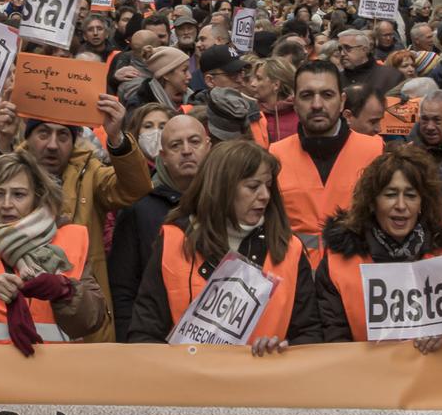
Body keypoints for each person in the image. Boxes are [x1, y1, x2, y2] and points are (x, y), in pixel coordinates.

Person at [0, 94, 148, 340]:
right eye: (43, 133)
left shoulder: (91, 173)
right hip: (16, 308)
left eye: (63, 135)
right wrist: (2, 138)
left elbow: (135, 188)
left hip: (82, 312)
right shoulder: (9, 171)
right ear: (28, 136)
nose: (53, 145)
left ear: (74, 140)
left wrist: (116, 138)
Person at [126, 139, 319, 350]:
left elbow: (309, 334)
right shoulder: (174, 241)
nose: (265, 196)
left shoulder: (290, 248)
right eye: (253, 187)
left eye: (269, 186)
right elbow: (145, 333)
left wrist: (282, 349)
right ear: (221, 188)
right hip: (188, 379)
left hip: (267, 379)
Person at [0, 150, 109, 349]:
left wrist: (65, 290)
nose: (7, 204)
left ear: (38, 197)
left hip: (53, 371)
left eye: (18, 194)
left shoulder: (71, 239)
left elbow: (92, 320)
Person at [312, 145, 442, 351]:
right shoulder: (338, 263)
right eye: (391, 194)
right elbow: (332, 335)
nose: (401, 205)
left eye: (411, 195)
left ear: (423, 203)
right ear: (372, 202)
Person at [270, 60, 386, 261]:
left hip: (356, 276)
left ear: (342, 102)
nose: (317, 105)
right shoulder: (275, 155)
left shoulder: (375, 151)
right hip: (299, 278)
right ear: (295, 103)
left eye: (327, 95)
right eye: (307, 96)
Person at [107, 112, 209, 321]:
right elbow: (123, 287)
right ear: (163, 156)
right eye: (176, 145)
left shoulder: (228, 203)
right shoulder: (139, 208)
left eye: (194, 142)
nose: (187, 151)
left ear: (209, 146)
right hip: (155, 339)